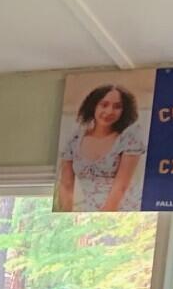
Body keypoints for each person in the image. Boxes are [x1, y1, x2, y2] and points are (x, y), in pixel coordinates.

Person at [57, 84, 145, 212]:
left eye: (117, 107)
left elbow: (121, 185)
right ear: (93, 106)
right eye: (104, 105)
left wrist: (106, 213)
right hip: (88, 211)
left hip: (124, 210)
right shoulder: (75, 138)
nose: (109, 111)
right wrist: (66, 214)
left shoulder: (129, 137)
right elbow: (66, 184)